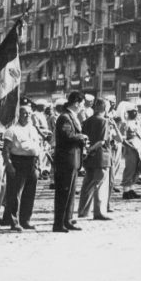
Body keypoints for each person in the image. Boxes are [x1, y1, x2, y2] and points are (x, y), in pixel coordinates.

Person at [3, 105, 45, 231]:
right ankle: (13, 221)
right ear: (19, 115)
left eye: (29, 113)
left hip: (32, 163)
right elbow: (5, 150)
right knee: (15, 194)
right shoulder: (12, 130)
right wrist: (9, 164)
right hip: (18, 162)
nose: (27, 116)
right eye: (24, 113)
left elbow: (37, 147)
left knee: (29, 194)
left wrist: (39, 165)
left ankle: (25, 220)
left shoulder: (33, 129)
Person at [52, 91, 89, 233]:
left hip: (73, 158)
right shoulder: (65, 117)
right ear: (76, 103)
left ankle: (67, 220)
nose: (82, 107)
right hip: (66, 159)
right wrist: (81, 136)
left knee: (71, 192)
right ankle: (59, 223)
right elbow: (67, 136)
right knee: (64, 191)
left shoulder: (71, 116)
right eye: (82, 104)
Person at [78, 98, 112, 221]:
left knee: (87, 184)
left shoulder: (87, 121)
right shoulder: (104, 121)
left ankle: (83, 211)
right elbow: (102, 141)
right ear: (105, 108)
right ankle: (99, 212)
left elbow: (84, 139)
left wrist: (87, 151)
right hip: (102, 156)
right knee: (100, 185)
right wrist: (92, 149)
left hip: (89, 158)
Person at [121, 103, 141, 200]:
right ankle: (126, 191)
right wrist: (130, 146)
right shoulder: (125, 124)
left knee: (136, 170)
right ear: (128, 113)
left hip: (138, 147)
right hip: (130, 148)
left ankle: (131, 189)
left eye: (136, 112)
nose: (135, 113)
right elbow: (123, 138)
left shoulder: (136, 123)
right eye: (132, 112)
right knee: (130, 169)